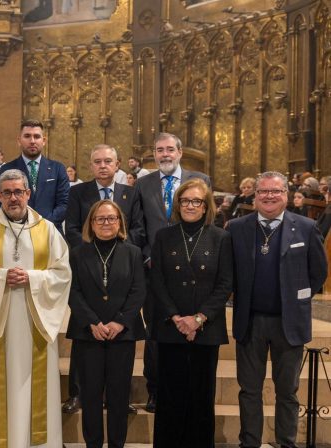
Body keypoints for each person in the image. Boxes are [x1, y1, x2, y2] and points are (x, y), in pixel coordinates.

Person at [0, 168, 71, 448]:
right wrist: (0, 277)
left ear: (28, 194)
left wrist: (32, 278)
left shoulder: (47, 230)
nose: (13, 198)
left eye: (18, 192)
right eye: (7, 192)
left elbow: (63, 274)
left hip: (36, 321)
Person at [229, 171, 327, 448]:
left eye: (276, 191)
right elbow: (229, 273)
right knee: (249, 390)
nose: (269, 196)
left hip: (289, 323)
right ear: (255, 196)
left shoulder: (306, 227)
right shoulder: (237, 227)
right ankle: (249, 442)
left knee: (287, 392)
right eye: (263, 191)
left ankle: (286, 443)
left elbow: (318, 272)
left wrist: (298, 297)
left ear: (286, 194)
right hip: (250, 322)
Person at [150, 178, 233, 447]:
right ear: (178, 204)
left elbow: (225, 284)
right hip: (170, 328)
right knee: (170, 395)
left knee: (201, 396)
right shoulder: (164, 236)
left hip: (206, 329)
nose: (190, 205)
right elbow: (158, 281)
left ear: (205, 205)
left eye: (196, 201)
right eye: (185, 200)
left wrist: (198, 319)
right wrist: (176, 318)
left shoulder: (221, 237)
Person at [63, 144, 144, 414]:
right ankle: (78, 394)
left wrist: (120, 250)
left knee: (119, 353)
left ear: (117, 164)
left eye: (107, 161)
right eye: (97, 161)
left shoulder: (131, 193)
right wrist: (88, 251)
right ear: (90, 165)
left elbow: (137, 227)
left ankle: (118, 398)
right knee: (85, 338)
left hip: (120, 263)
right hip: (87, 264)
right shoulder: (78, 192)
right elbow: (72, 227)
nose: (102, 165)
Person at [134, 132, 210, 412]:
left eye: (169, 149)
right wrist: (146, 256)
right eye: (159, 150)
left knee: (192, 328)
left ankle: (190, 389)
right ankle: (155, 390)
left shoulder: (201, 181)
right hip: (154, 272)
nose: (164, 154)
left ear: (179, 152)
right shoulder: (143, 184)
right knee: (155, 332)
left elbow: (210, 221)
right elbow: (137, 226)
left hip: (193, 272)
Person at [66, 200, 145, 448]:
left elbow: (138, 291)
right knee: (90, 395)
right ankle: (93, 444)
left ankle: (117, 444)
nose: (106, 223)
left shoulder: (132, 252)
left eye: (111, 218)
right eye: (100, 219)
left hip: (122, 334)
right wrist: (93, 322)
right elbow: (73, 292)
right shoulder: (78, 253)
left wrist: (120, 323)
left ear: (120, 222)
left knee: (119, 395)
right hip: (88, 334)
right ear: (91, 223)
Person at [0, 119, 70, 234]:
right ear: (19, 140)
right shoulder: (7, 169)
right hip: (17, 232)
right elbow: (3, 202)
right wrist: (23, 225)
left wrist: (43, 224)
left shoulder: (58, 168)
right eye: (27, 136)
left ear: (44, 141)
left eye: (37, 136)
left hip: (50, 232)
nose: (32, 141)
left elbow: (64, 203)